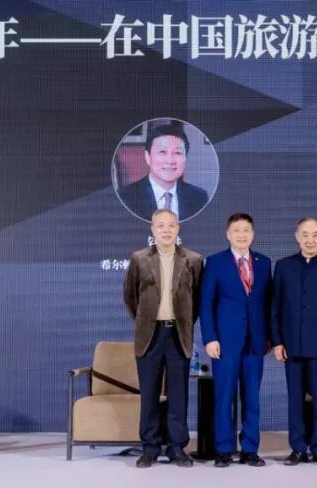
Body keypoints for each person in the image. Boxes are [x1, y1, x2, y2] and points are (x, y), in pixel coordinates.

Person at [123, 209, 203, 468]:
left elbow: (197, 299)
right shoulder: (139, 258)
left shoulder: (193, 259)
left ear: (178, 229)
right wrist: (147, 321)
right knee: (149, 394)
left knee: (179, 394)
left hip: (178, 334)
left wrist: (184, 322)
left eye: (171, 225)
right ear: (153, 229)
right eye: (161, 225)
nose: (166, 230)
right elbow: (131, 297)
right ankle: (150, 448)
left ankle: (177, 447)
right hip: (150, 335)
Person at [270, 217, 317, 467]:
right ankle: (298, 448)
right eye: (305, 234)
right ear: (297, 236)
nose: (310, 240)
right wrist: (277, 342)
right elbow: (275, 308)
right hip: (291, 346)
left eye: (315, 235)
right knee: (295, 399)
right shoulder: (284, 266)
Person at [200, 213, 272, 467]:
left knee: (252, 398)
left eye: (246, 230)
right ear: (228, 234)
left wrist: (269, 337)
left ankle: (250, 449)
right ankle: (223, 449)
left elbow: (268, 303)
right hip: (225, 342)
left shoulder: (264, 262)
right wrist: (210, 337)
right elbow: (206, 304)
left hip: (256, 342)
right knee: (224, 397)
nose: (242, 234)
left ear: (252, 234)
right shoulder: (215, 262)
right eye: (237, 230)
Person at [119, 122, 210, 221]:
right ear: (148, 156)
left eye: (178, 153)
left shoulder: (199, 197)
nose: (170, 160)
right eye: (162, 152)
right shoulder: (125, 197)